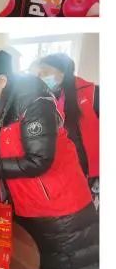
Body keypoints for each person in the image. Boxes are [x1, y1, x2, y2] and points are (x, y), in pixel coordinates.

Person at [0, 50, 98, 269]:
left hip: (59, 209)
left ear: (1, 80)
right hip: (30, 201)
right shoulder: (3, 102)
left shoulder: (34, 102)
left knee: (66, 266)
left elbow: (39, 161)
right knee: (38, 261)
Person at [32, 54, 99, 193]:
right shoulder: (46, 96)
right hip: (59, 167)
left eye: (45, 72)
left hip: (86, 168)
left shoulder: (92, 93)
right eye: (38, 74)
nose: (40, 77)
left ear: (62, 72)